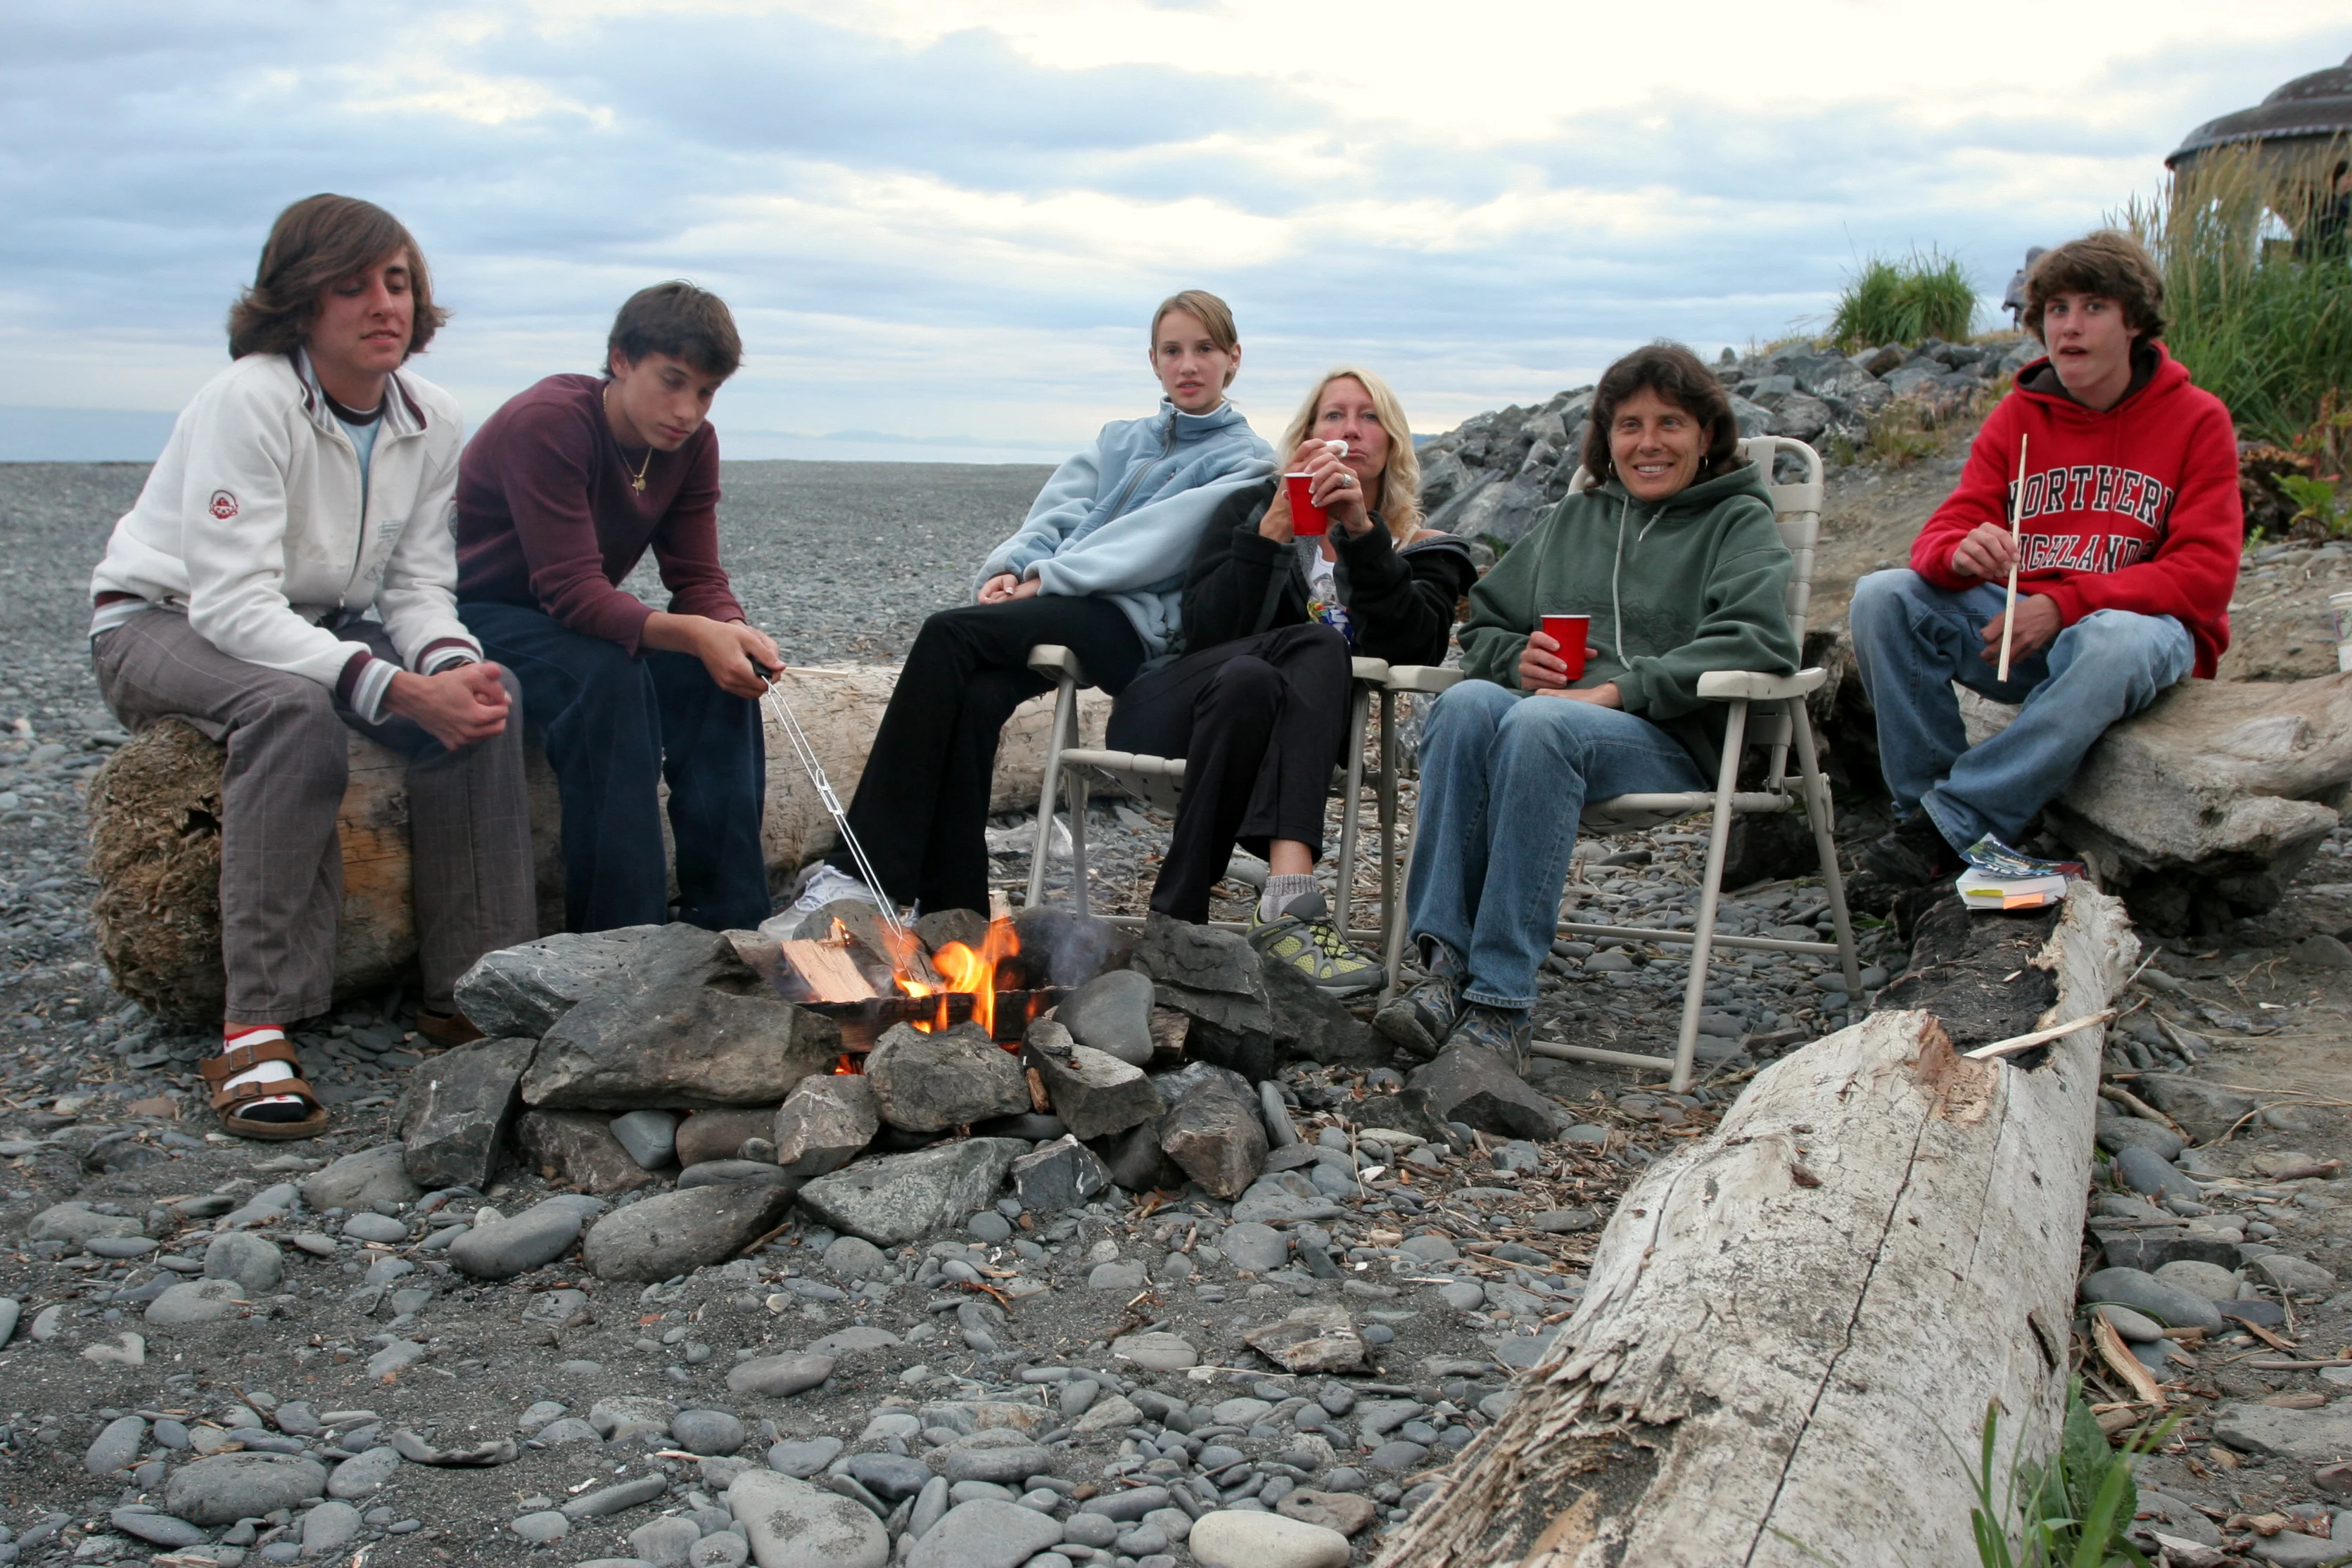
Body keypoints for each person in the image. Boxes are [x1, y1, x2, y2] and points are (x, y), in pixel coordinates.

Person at [88, 193, 535, 1140]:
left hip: (305, 622)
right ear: (299, 300)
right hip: (161, 621)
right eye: (352, 285)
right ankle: (258, 1021)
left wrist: (447, 670)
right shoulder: (250, 398)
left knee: (489, 698)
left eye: (398, 281)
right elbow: (231, 606)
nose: (384, 304)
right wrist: (390, 686)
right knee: (293, 712)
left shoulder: (429, 416)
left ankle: (469, 989)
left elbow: (417, 588)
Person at [1373, 343, 1798, 1067]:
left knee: (1540, 721)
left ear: (1704, 433)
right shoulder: (1578, 519)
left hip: (1669, 740)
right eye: (1628, 425)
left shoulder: (1737, 522)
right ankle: (1445, 971)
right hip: (1553, 729)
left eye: (1670, 423)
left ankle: (1502, 1002)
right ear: (1606, 438)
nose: (1648, 442)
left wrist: (1621, 688)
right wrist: (1519, 656)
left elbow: (1757, 639)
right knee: (1470, 702)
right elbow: (1489, 623)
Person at [790, 290, 1274, 919]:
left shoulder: (1246, 459)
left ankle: (860, 873)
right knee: (974, 699)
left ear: (1233, 359)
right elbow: (1058, 510)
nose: (1189, 364)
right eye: (1173, 350)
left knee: (948, 635)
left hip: (1133, 625)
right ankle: (950, 913)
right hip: (1064, 597)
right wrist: (1011, 568)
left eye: (1205, 349)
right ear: (1152, 361)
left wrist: (1048, 579)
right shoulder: (1120, 439)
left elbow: (1158, 544)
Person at [1845, 229, 2242, 906]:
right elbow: (1942, 531)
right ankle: (1923, 823)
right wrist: (1958, 552)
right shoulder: (2017, 416)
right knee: (1882, 595)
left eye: (2093, 307)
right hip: (2020, 635)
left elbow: (2204, 577)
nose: (2070, 325)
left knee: (2110, 637)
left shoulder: (2197, 418)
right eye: (2055, 309)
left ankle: (1957, 821)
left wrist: (2065, 604)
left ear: (2134, 321)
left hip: (2136, 638)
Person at [1107, 367, 1472, 991]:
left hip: (1265, 738)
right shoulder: (1251, 508)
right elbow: (1206, 632)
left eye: (1368, 416)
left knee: (1252, 680)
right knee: (1300, 645)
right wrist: (1273, 529)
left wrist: (1361, 533)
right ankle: (1290, 901)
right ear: (1306, 436)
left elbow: (1415, 643)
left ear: (1393, 442)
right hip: (1170, 712)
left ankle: (1174, 920)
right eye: (1333, 416)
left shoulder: (1429, 549)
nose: (1350, 431)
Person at [454, 283, 780, 935]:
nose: (687, 410)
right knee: (607, 677)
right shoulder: (547, 422)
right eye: (673, 382)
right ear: (621, 359)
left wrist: (732, 629)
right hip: (475, 614)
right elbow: (569, 589)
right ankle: (618, 940)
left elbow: (696, 575)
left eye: (706, 391)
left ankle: (730, 924)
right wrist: (691, 631)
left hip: (570, 616)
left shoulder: (692, 444)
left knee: (718, 679)